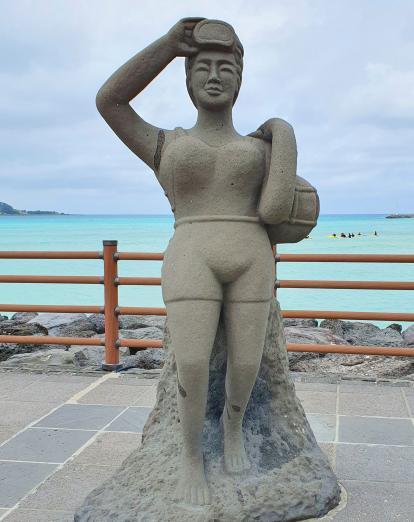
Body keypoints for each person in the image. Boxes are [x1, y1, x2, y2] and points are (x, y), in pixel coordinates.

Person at [95, 18, 296, 505]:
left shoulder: (259, 147)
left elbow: (279, 208)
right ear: (186, 80)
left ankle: (232, 430)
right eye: (202, 67)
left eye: (225, 68)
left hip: (251, 254)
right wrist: (167, 46)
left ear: (239, 78)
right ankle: (189, 457)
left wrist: (283, 133)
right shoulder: (166, 144)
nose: (214, 76)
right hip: (192, 251)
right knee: (190, 362)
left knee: (246, 362)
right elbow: (110, 102)